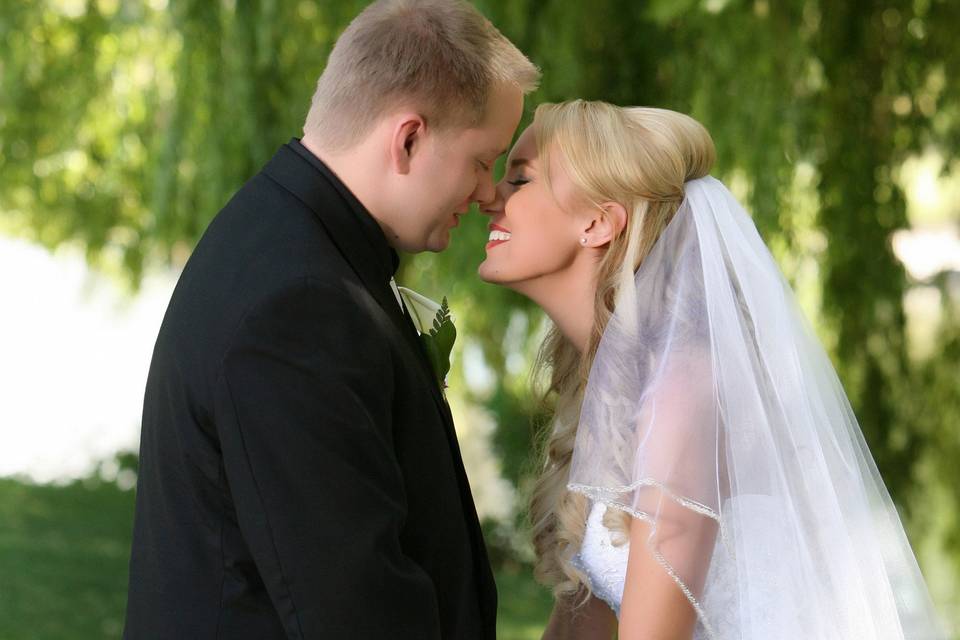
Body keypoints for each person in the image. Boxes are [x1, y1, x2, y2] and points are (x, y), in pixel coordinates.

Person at [123, 1, 539, 638]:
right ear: (408, 139)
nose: (489, 195)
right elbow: (355, 609)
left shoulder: (287, 239)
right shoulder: (302, 304)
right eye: (483, 161)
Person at [479, 100, 946, 639]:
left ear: (598, 222)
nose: (491, 196)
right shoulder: (605, 389)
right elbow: (581, 618)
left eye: (519, 179)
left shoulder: (679, 390)